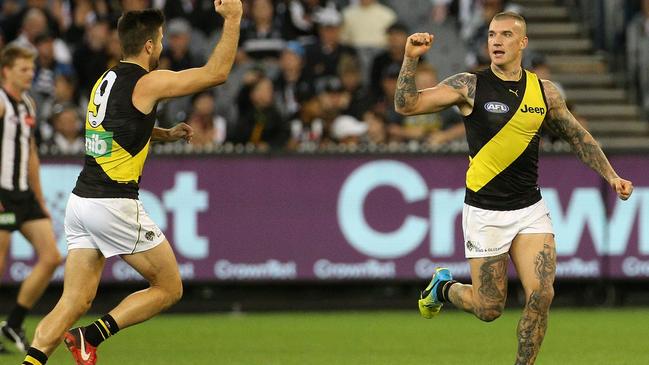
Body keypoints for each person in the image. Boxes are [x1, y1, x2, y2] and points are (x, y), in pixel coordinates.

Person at [394, 12, 634, 365]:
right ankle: (443, 287)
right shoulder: (469, 84)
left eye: (506, 35)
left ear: (522, 42)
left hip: (529, 210)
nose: (496, 41)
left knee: (542, 295)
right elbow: (406, 105)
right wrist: (410, 59)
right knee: (489, 308)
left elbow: (578, 136)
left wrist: (611, 176)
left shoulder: (544, 92)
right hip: (485, 212)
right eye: (492, 34)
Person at [21, 1, 243, 365]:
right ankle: (90, 336)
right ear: (151, 45)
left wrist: (162, 134)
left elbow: (117, 132)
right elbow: (216, 73)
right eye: (161, 40)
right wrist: (233, 18)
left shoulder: (105, 81)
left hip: (81, 202)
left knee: (74, 301)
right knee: (169, 287)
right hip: (113, 203)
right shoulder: (147, 81)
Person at [0, 44, 62, 355]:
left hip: (24, 194)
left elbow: (32, 155)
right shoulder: (1, 102)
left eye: (32, 69)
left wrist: (40, 198)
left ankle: (13, 322)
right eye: (23, 69)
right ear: (6, 71)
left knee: (51, 257)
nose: (30, 74)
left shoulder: (27, 105)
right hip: (2, 194)